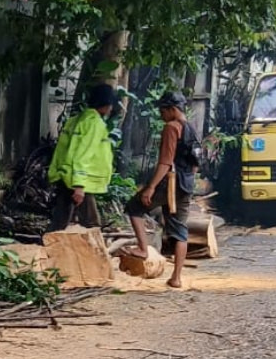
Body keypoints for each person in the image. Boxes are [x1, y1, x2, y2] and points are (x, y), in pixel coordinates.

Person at [124, 91, 200, 288]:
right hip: (186, 183)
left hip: (170, 182)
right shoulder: (191, 127)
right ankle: (176, 277)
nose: (161, 115)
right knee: (180, 229)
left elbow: (165, 162)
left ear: (172, 110)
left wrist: (151, 187)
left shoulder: (171, 128)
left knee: (134, 207)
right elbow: (195, 163)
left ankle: (142, 249)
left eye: (163, 111)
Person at [47, 83, 117, 232]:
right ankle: (96, 253)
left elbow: (62, 151)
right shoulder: (94, 123)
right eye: (110, 105)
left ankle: (46, 248)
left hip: (66, 176)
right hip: (80, 181)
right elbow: (82, 154)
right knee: (91, 224)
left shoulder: (75, 120)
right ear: (105, 104)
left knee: (60, 221)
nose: (111, 109)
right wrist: (79, 186)